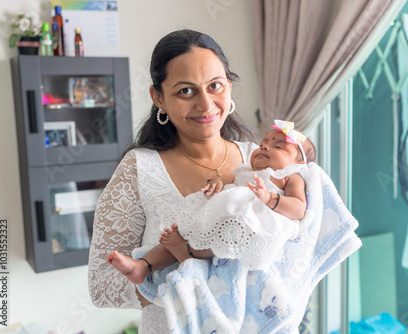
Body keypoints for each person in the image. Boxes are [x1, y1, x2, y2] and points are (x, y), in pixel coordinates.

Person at [88, 29, 257, 332]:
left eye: (215, 86)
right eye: (186, 91)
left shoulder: (259, 162)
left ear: (228, 86)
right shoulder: (139, 169)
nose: (206, 105)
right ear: (158, 98)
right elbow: (102, 285)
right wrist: (186, 280)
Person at [106, 120, 316, 284]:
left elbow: (298, 208)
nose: (264, 147)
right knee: (181, 231)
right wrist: (217, 182)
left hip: (256, 224)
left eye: (277, 146)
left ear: (299, 164)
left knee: (224, 236)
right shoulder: (247, 170)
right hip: (226, 213)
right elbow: (230, 183)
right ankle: (143, 266)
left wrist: (270, 198)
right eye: (263, 143)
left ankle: (190, 255)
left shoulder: (290, 177)